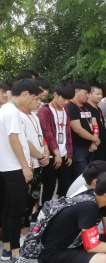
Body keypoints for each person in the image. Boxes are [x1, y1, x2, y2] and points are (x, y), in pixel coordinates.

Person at [0, 79, 41, 263]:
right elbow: (14, 140)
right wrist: (25, 166)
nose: (34, 101)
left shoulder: (4, 110)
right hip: (15, 168)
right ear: (25, 94)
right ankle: (15, 256)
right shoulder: (13, 112)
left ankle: (8, 249)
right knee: (16, 211)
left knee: (8, 209)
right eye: (33, 97)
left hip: (7, 167)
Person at [37, 82, 74, 203]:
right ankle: (44, 210)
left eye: (69, 99)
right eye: (64, 98)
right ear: (55, 95)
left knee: (66, 185)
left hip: (64, 154)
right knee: (49, 186)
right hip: (51, 155)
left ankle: (61, 209)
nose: (66, 102)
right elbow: (47, 134)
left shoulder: (65, 109)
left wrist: (69, 153)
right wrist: (56, 153)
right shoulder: (45, 110)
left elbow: (67, 131)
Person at [19, 90, 50, 234]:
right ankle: (21, 234)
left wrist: (46, 152)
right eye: (36, 99)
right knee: (24, 202)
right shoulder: (19, 116)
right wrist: (39, 156)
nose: (39, 102)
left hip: (39, 162)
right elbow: (24, 141)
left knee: (33, 199)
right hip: (29, 164)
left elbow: (40, 136)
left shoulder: (34, 116)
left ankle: (26, 233)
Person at [67, 80, 100, 180]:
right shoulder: (70, 106)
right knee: (82, 176)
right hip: (78, 147)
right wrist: (95, 139)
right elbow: (77, 129)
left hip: (91, 146)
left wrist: (94, 142)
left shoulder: (88, 106)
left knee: (90, 175)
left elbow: (95, 124)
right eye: (86, 93)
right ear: (76, 91)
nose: (88, 95)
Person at [85, 84, 106, 162]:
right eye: (97, 94)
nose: (100, 96)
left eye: (101, 94)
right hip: (93, 144)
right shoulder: (86, 108)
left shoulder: (98, 108)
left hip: (102, 143)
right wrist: (94, 142)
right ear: (89, 94)